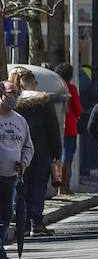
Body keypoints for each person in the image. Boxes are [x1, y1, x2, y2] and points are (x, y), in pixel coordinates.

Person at [11, 67, 61, 237]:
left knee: (20, 187)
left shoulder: (13, 102)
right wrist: (56, 152)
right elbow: (53, 128)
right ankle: (36, 222)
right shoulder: (43, 101)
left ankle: (21, 224)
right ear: (35, 83)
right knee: (39, 186)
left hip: (17, 152)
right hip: (41, 151)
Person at [0, 80, 34, 259]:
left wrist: (24, 162)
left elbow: (29, 146)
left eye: (16, 93)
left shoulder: (20, 120)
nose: (15, 97)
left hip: (12, 177)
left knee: (5, 218)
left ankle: (2, 258)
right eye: (11, 93)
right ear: (1, 94)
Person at [54, 63, 82, 195]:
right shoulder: (71, 88)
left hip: (56, 127)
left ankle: (58, 185)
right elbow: (78, 110)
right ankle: (64, 186)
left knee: (58, 157)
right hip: (70, 127)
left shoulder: (55, 88)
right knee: (67, 158)